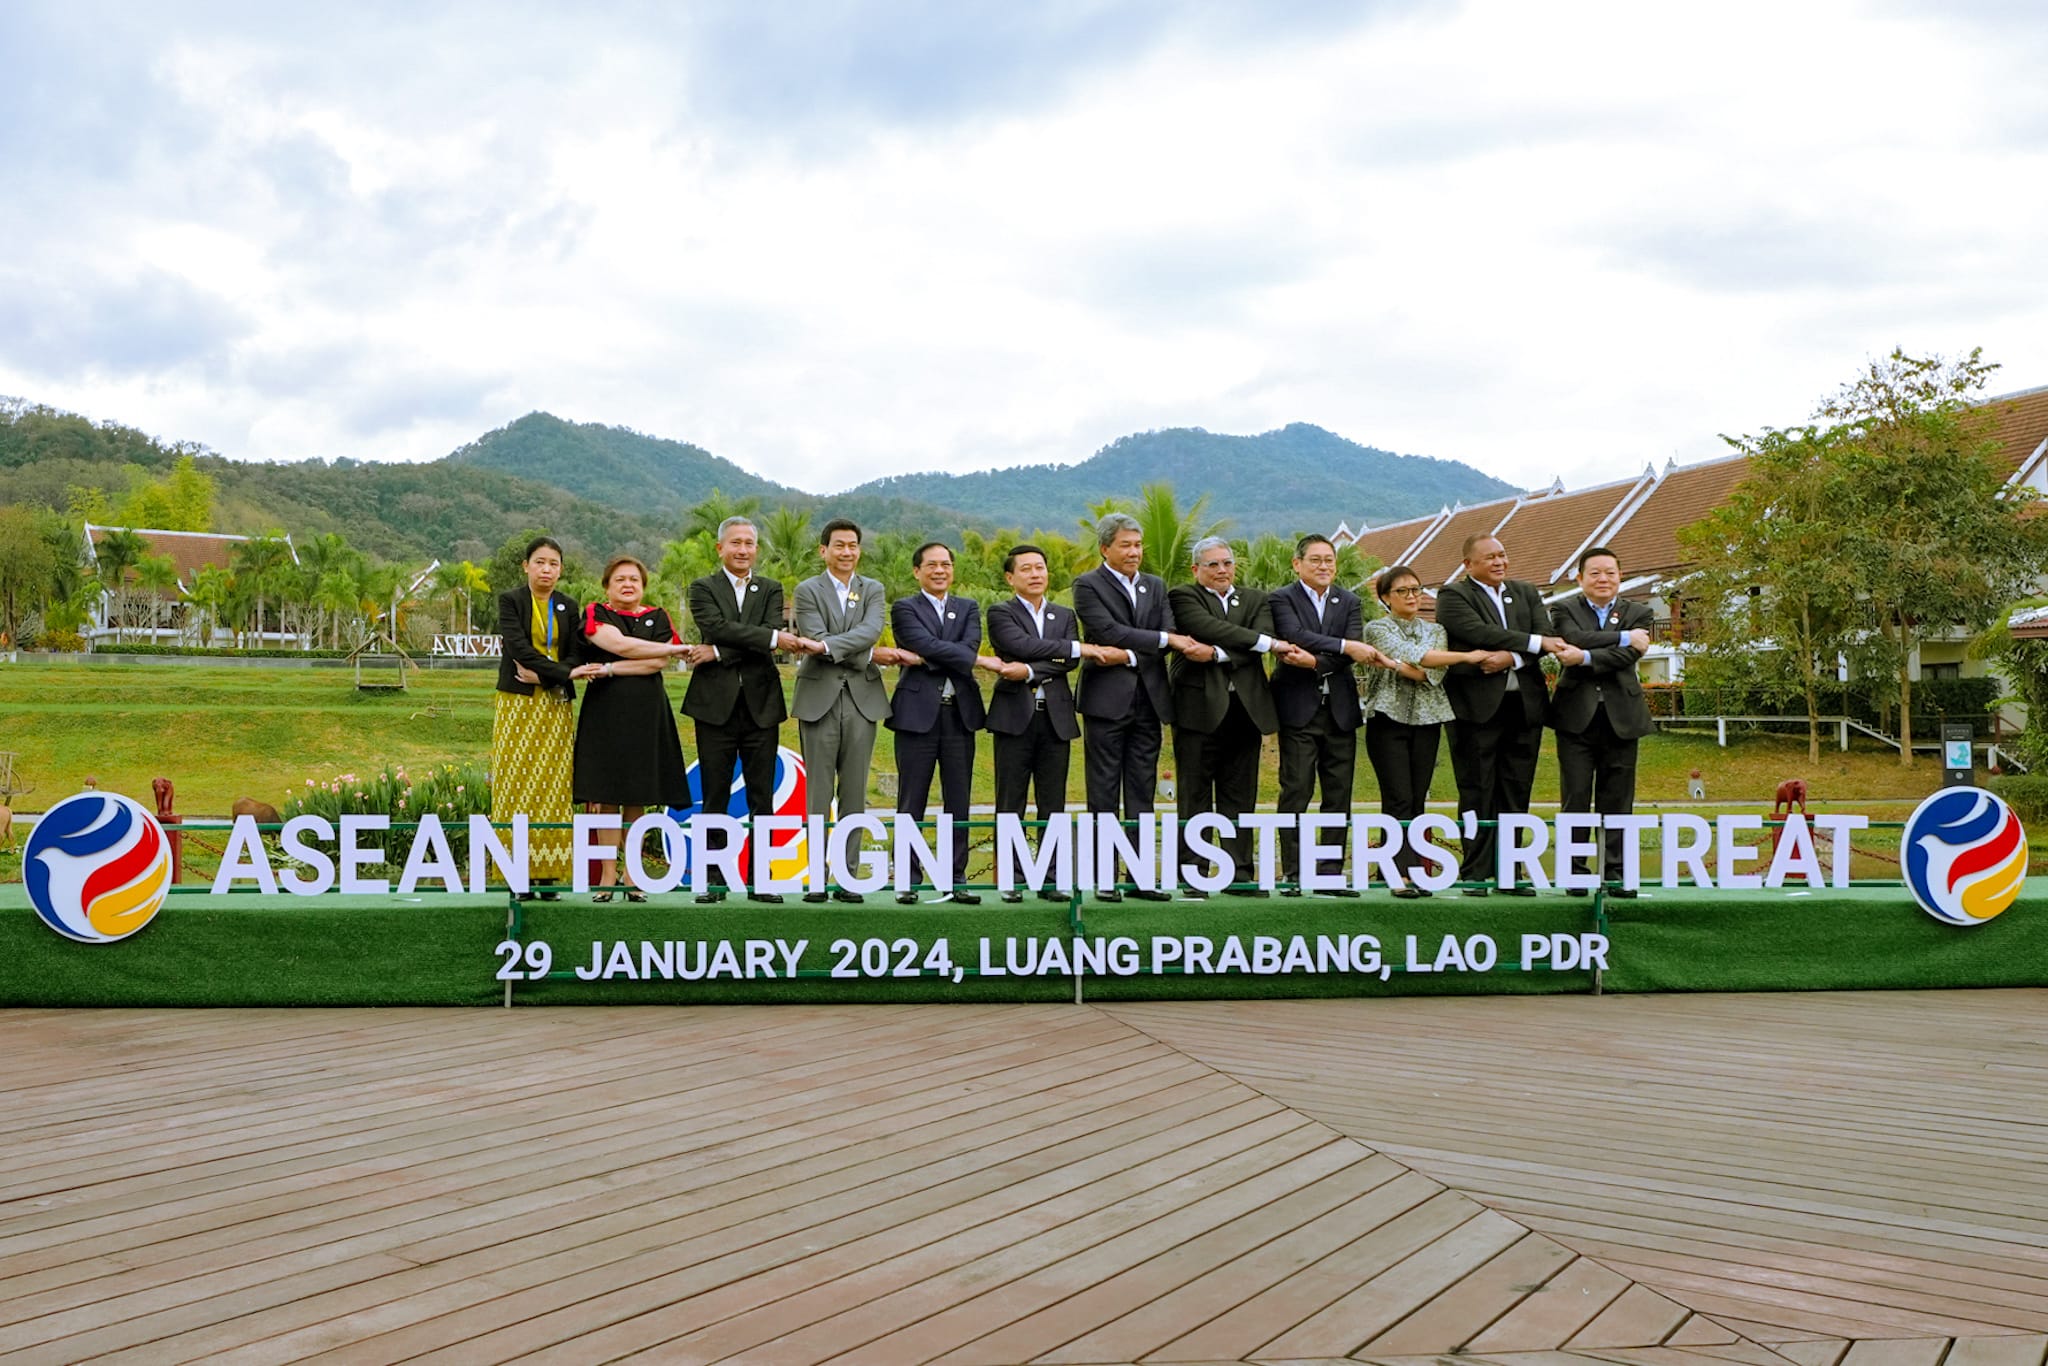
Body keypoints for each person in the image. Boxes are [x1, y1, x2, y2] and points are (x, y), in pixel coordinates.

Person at [682, 516, 823, 904]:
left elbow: (742, 640)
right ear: (720, 548)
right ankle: (713, 879)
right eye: (735, 543)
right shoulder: (702, 588)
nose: (742, 550)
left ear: (756, 549)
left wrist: (718, 651)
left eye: (749, 543)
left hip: (761, 706)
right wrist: (775, 637)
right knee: (715, 795)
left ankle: (761, 878)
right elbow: (718, 626)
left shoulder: (771, 589)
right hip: (715, 707)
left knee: (762, 796)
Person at [1072, 512, 1211, 900]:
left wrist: (1148, 646)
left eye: (1138, 545)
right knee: (1103, 790)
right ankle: (1104, 877)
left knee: (1142, 789)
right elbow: (1108, 633)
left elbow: (1169, 634)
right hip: (1106, 701)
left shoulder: (1155, 584)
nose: (1135, 552)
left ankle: (1138, 877)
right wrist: (1152, 646)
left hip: (1150, 701)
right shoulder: (1088, 585)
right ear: (1105, 549)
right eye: (1126, 545)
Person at [985, 543, 1127, 902]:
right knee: (1010, 801)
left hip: (1056, 719)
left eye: (1040, 568)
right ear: (1010, 577)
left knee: (1054, 803)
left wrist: (1031, 669)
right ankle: (1013, 880)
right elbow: (1019, 644)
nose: (1035, 575)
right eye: (1027, 569)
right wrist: (1066, 649)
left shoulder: (1063, 614)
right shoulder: (1000, 612)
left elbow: (1066, 662)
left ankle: (1052, 878)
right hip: (1014, 718)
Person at [887, 541, 1019, 904]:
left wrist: (936, 656)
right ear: (917, 571)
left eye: (946, 564)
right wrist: (964, 657)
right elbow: (919, 641)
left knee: (958, 799)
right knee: (911, 799)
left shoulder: (968, 607)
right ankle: (908, 879)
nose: (940, 570)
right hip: (917, 716)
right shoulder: (904, 607)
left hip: (960, 713)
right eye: (932, 565)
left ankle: (955, 876)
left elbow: (955, 647)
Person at [1436, 533, 1561, 895]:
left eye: (1503, 555)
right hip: (1475, 709)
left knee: (1516, 789)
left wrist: (1513, 657)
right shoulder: (1454, 596)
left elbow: (1545, 633)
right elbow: (1475, 632)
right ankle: (1475, 870)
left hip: (1523, 706)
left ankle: (1511, 870)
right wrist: (1533, 644)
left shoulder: (1525, 592)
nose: (1499, 562)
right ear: (1468, 564)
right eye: (1490, 557)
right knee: (1476, 788)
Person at [1268, 534, 1389, 894]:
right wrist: (1341, 647)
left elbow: (1353, 649)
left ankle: (1329, 872)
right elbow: (1293, 635)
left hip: (1340, 710)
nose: (1324, 567)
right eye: (1316, 560)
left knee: (1338, 795)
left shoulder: (1348, 600)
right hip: (1298, 710)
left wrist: (1317, 660)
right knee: (1296, 791)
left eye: (1329, 560)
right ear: (1298, 563)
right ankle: (1293, 871)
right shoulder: (1281, 599)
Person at [568, 556, 694, 902]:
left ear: (643, 586)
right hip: (605, 712)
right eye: (620, 579)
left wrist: (609, 669)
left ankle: (632, 875)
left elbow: (658, 661)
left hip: (646, 711)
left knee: (637, 796)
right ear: (607, 586)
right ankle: (607, 875)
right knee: (606, 794)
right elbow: (620, 644)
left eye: (634, 580)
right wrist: (664, 649)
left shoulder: (658, 617)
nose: (628, 584)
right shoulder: (597, 613)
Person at [1362, 564, 1491, 898]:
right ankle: (1395, 874)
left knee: (1418, 797)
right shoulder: (1376, 628)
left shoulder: (1436, 630)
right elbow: (1412, 656)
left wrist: (1423, 665)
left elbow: (1428, 672)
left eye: (1416, 589)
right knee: (1397, 797)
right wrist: (1465, 657)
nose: (1411, 597)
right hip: (1387, 718)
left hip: (1427, 720)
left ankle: (1415, 870)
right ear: (1385, 598)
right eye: (1402, 591)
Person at [1167, 536, 1285, 898]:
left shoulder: (1255, 599)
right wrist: (1254, 645)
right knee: (1195, 794)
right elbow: (1205, 628)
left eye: (1227, 563)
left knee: (1240, 795)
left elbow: (1262, 637)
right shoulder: (1183, 596)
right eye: (1213, 564)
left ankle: (1239, 873)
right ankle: (1193, 873)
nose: (1222, 570)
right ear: (1196, 568)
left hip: (1245, 710)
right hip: (1197, 710)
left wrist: (1218, 654)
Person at [791, 518, 892, 904]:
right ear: (824, 550)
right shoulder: (807, 590)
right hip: (819, 700)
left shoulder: (873, 589)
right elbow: (813, 637)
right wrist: (861, 654)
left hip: (863, 700)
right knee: (818, 795)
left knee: (854, 794)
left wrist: (839, 648)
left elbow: (870, 630)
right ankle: (816, 877)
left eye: (852, 545)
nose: (846, 552)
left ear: (859, 550)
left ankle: (848, 877)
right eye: (839, 545)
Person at [1548, 545, 1655, 897]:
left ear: (1620, 576)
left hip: (1622, 717)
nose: (1603, 578)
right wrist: (1622, 638)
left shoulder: (1639, 611)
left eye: (1610, 572)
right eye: (1594, 573)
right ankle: (1574, 873)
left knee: (1618, 800)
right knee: (1575, 798)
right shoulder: (1564, 608)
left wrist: (1586, 657)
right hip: (1575, 718)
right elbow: (1573, 640)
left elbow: (1627, 657)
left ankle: (1616, 873)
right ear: (1580, 579)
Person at [493, 535, 584, 897]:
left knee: (554, 785)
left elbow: (577, 656)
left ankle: (549, 875)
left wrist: (547, 676)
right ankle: (518, 876)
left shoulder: (568, 605)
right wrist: (558, 670)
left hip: (556, 703)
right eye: (540, 562)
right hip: (517, 703)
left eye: (554, 564)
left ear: (561, 569)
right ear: (526, 566)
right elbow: (516, 648)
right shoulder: (511, 601)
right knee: (515, 781)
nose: (547, 569)